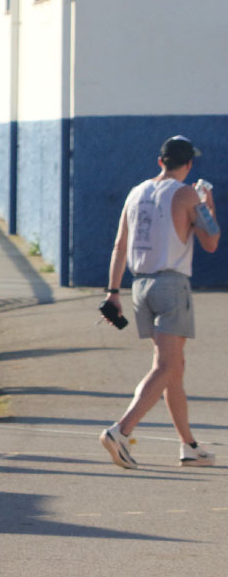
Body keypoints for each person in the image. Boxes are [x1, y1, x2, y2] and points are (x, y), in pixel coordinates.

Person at [99, 136, 220, 469]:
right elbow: (211, 241)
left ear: (160, 161)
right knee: (167, 366)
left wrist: (112, 292)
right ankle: (121, 430)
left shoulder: (136, 192)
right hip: (171, 285)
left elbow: (120, 246)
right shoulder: (185, 194)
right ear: (189, 165)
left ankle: (189, 445)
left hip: (141, 287)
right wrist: (208, 205)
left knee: (173, 367)